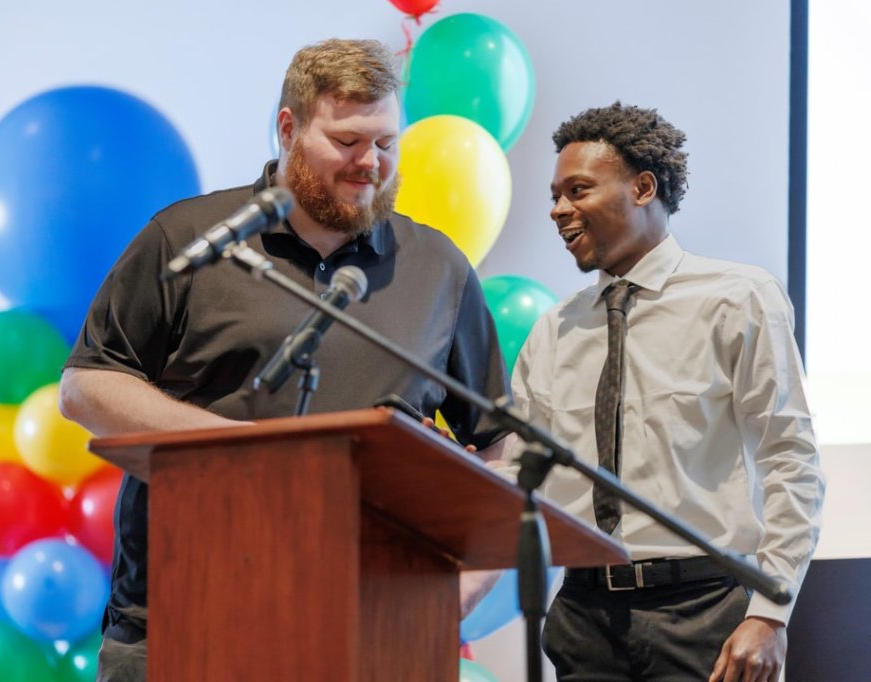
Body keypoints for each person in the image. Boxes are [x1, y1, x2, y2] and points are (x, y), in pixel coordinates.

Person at [58, 38, 510, 681]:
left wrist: (461, 588)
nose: (370, 164)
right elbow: (86, 385)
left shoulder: (439, 268)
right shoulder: (186, 238)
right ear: (289, 128)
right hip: (182, 621)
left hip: (373, 633)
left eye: (387, 144)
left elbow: (498, 445)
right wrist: (240, 451)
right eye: (348, 141)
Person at [503, 102, 824, 681]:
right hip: (583, 618)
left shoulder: (737, 298)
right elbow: (526, 475)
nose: (558, 210)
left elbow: (790, 459)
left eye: (577, 190)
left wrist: (770, 614)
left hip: (704, 611)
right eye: (554, 196)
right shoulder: (555, 329)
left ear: (644, 187)